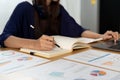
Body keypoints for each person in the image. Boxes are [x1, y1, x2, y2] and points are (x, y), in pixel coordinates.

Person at [0, 0, 119, 51]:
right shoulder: (24, 8)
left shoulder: (59, 10)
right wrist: (34, 44)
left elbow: (78, 30)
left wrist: (101, 36)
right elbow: (4, 38)